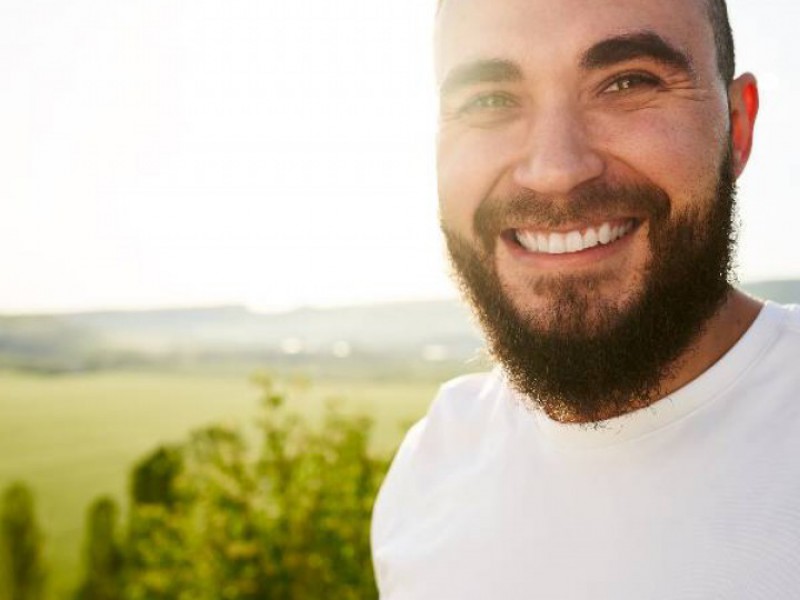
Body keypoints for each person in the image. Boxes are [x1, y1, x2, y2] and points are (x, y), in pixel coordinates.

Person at [371, 0, 800, 597]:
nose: (555, 169)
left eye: (627, 83)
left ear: (738, 127)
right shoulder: (428, 476)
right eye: (489, 100)